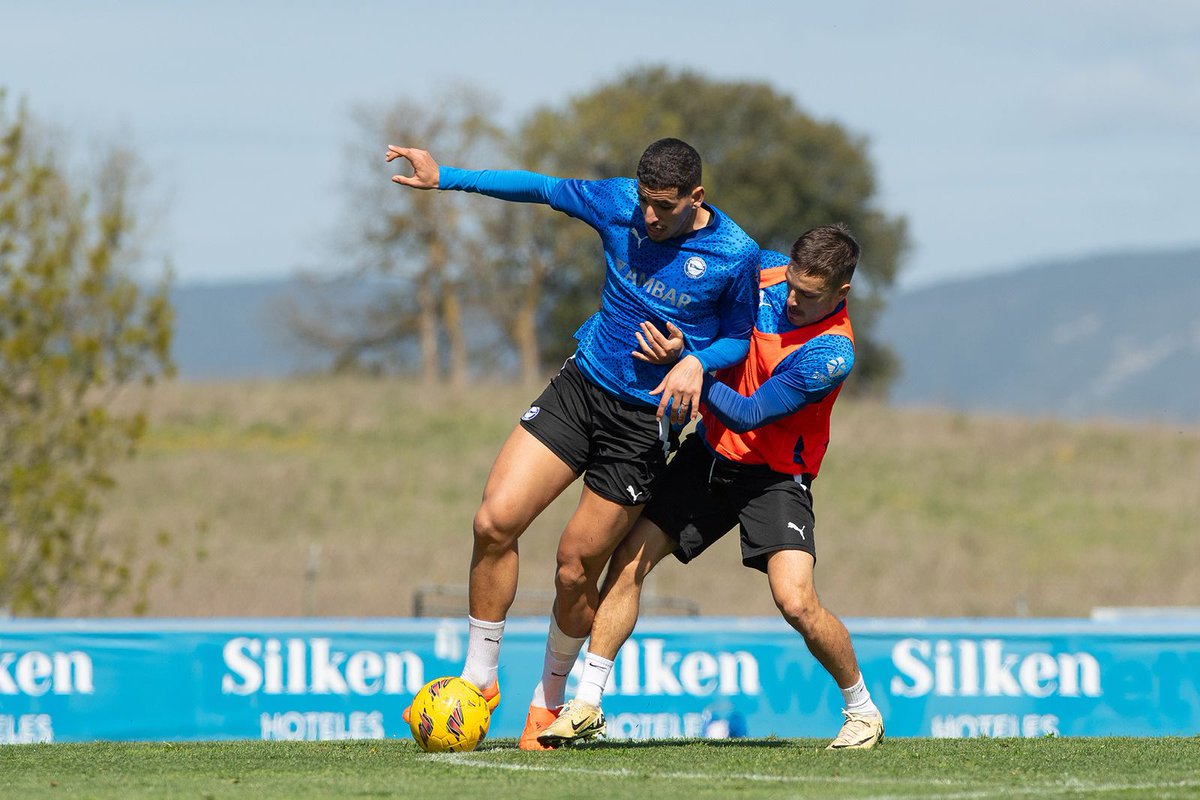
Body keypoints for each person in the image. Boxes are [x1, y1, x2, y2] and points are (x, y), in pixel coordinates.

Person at [385, 139, 760, 749]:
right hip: (582, 388)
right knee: (493, 522)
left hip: (645, 425)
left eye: (664, 207)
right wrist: (445, 176)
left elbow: (740, 338)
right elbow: (538, 186)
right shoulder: (616, 204)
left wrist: (695, 362)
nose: (649, 218)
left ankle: (549, 699)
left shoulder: (733, 253)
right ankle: (479, 679)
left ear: (697, 198)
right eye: (644, 203)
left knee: (572, 567)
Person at [537, 224, 886, 751]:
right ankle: (587, 704)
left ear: (842, 293)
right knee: (628, 560)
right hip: (708, 454)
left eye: (808, 295)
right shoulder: (763, 269)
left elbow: (749, 414)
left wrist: (686, 365)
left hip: (774, 477)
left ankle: (862, 711)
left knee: (795, 602)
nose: (791, 299)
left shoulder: (832, 353)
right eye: (790, 284)